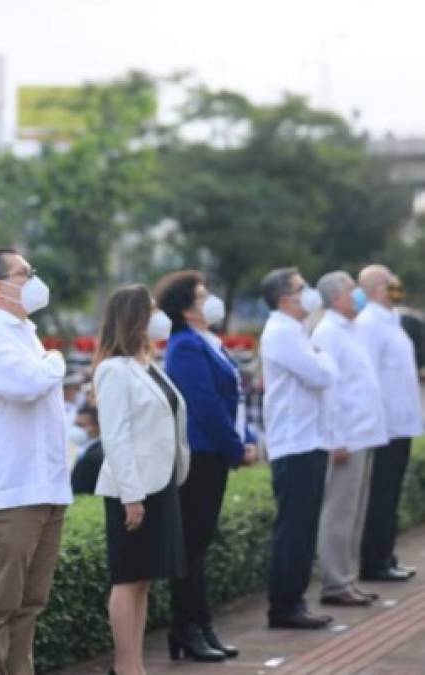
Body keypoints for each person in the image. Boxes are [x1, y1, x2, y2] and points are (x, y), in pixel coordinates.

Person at [0, 248, 72, 675]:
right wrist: (56, 361)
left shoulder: (26, 332)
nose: (34, 281)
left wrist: (48, 362)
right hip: (7, 491)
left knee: (29, 606)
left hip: (43, 486)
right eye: (25, 274)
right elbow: (28, 383)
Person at [154, 270, 257, 662]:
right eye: (202, 296)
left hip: (214, 451)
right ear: (185, 308)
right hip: (200, 454)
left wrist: (243, 439)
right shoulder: (183, 346)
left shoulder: (204, 341)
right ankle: (186, 628)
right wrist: (236, 448)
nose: (209, 300)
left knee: (199, 544)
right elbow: (205, 405)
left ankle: (202, 625)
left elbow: (233, 400)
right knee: (192, 546)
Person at [93, 284, 189, 675]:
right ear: (134, 318)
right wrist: (132, 496)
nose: (160, 318)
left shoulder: (147, 366)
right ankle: (126, 665)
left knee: (144, 579)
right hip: (132, 489)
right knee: (128, 577)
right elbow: (115, 437)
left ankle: (134, 664)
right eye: (151, 311)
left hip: (161, 483)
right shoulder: (113, 370)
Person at [259, 267, 337, 629]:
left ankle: (295, 601)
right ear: (284, 298)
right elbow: (321, 375)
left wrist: (320, 356)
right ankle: (285, 605)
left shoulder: (296, 331)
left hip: (309, 440)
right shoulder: (281, 332)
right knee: (293, 529)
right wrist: (323, 357)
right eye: (301, 288)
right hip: (296, 444)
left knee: (304, 528)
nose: (308, 293)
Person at [311, 271, 387, 606]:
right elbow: (330, 392)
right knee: (338, 511)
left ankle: (347, 577)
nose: (357, 295)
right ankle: (334, 581)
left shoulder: (352, 329)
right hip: (347, 437)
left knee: (354, 511)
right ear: (336, 297)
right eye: (351, 290)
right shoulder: (329, 331)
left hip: (364, 433)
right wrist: (336, 438)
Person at [357, 265, 423, 582]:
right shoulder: (370, 322)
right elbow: (367, 376)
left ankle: (386, 556)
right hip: (384, 425)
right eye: (389, 280)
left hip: (400, 423)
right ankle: (375, 563)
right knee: (380, 496)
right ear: (376, 287)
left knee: (390, 495)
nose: (396, 284)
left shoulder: (392, 319)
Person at [70, 405, 104, 495]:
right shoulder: (83, 450)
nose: (76, 429)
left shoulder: (94, 457)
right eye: (75, 424)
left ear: (97, 426)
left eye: (81, 425)